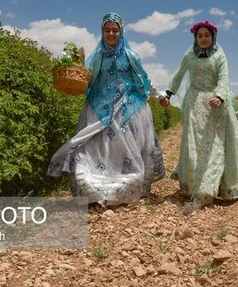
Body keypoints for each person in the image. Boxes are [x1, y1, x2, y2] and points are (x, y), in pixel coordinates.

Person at [47, 12, 169, 206]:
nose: (111, 34)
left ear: (121, 32)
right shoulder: (96, 57)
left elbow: (144, 79)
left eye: (115, 30)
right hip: (99, 110)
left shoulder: (130, 56)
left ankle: (124, 189)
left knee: (125, 153)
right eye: (107, 30)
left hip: (126, 112)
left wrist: (160, 96)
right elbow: (85, 79)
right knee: (91, 150)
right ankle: (92, 190)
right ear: (102, 32)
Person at [161, 20, 238, 214]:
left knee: (214, 146)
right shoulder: (189, 56)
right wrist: (168, 94)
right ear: (195, 38)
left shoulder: (220, 56)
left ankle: (209, 189)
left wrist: (220, 96)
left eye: (207, 35)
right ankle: (195, 186)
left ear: (212, 37)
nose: (203, 39)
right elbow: (179, 75)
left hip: (215, 105)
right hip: (194, 104)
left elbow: (224, 78)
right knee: (195, 145)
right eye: (200, 36)